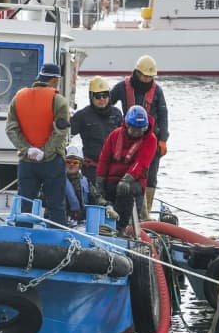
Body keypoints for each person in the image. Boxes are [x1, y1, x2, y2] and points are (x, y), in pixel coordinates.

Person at [5, 63, 70, 225]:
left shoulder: (18, 98)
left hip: (27, 162)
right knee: (56, 205)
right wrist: (45, 152)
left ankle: (22, 239)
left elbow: (11, 129)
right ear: (55, 80)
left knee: (24, 205)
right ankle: (58, 241)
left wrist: (27, 149)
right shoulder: (59, 100)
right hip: (52, 161)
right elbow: (61, 131)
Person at [110, 55, 169, 219]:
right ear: (137, 73)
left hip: (151, 140)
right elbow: (108, 104)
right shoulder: (122, 87)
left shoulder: (157, 91)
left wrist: (163, 139)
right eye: (145, 75)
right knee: (127, 173)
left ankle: (146, 214)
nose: (147, 79)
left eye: (150, 76)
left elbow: (163, 115)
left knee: (150, 177)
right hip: (128, 139)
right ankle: (127, 212)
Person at [95, 105, 157, 234]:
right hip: (113, 179)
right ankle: (102, 223)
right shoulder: (115, 135)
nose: (136, 133)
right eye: (133, 129)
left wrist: (127, 179)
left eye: (140, 129)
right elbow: (104, 160)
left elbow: (141, 163)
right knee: (98, 193)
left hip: (135, 181)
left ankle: (120, 227)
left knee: (124, 189)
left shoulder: (150, 140)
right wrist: (99, 181)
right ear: (127, 125)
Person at [70, 76, 123, 186]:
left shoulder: (117, 114)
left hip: (113, 167)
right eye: (98, 96)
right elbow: (66, 134)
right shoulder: (82, 116)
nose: (102, 99)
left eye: (105, 95)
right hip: (92, 168)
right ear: (91, 97)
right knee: (94, 197)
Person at [64, 145, 89, 224]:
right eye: (68, 161)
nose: (71, 164)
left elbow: (97, 198)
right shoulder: (55, 180)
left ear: (80, 165)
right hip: (58, 222)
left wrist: (108, 207)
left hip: (81, 223)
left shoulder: (86, 182)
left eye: (75, 162)